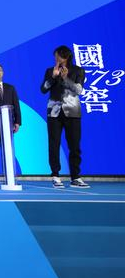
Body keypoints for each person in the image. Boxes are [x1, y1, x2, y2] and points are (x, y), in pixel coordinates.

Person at [41, 45, 89, 188]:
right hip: (54, 112)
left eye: (58, 56)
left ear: (66, 56)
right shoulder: (50, 70)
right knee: (54, 144)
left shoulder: (78, 70)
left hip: (72, 111)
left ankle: (75, 177)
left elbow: (79, 90)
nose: (56, 59)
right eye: (55, 56)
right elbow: (43, 89)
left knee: (74, 145)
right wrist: (53, 77)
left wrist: (65, 78)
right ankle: (55, 176)